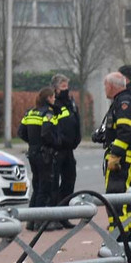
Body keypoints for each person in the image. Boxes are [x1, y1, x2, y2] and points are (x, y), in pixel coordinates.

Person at [93, 71, 131, 241]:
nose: (104, 89)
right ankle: (130, 239)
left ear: (111, 86)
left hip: (125, 160)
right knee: (128, 202)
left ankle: (120, 240)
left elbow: (126, 131)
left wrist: (115, 155)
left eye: (105, 85)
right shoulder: (127, 100)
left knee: (116, 200)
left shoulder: (124, 103)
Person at [18, 86, 58, 230]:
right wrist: (55, 143)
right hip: (45, 154)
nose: (54, 99)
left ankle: (30, 221)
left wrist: (33, 143)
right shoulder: (48, 113)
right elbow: (47, 133)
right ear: (48, 98)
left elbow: (21, 132)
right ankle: (39, 223)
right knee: (44, 188)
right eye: (53, 97)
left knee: (37, 185)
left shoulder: (30, 112)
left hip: (33, 153)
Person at [48, 73, 81, 230]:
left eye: (67, 86)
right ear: (55, 89)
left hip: (69, 149)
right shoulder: (52, 103)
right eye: (63, 87)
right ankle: (52, 217)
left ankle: (63, 215)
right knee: (53, 184)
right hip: (56, 149)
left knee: (69, 180)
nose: (66, 90)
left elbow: (75, 122)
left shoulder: (71, 103)